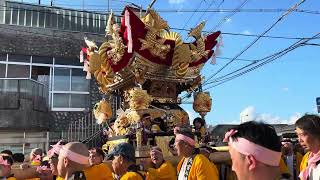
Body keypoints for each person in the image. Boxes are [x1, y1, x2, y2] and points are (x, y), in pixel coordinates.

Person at [295, 114, 320, 180]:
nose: (299, 140)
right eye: (297, 135)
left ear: (317, 134)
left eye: (302, 135)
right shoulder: (306, 158)